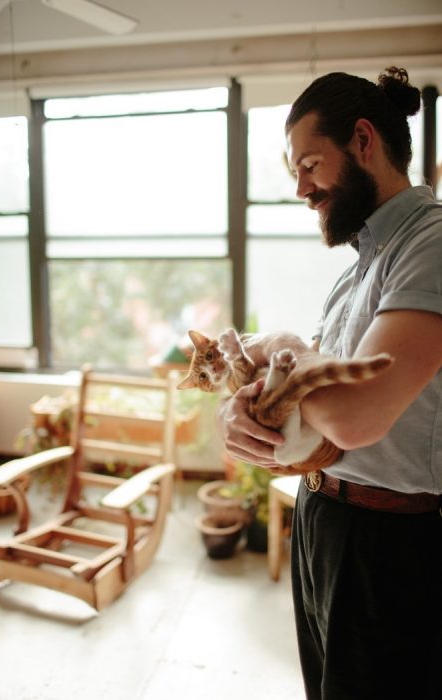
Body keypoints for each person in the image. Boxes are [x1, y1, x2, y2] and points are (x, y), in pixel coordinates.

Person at [218, 67, 442, 700]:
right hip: (327, 520)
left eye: (310, 163)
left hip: (392, 546)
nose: (301, 187)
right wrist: (239, 410)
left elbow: (354, 415)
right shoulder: (359, 270)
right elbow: (313, 391)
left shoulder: (432, 245)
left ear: (363, 142)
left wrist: (285, 373)